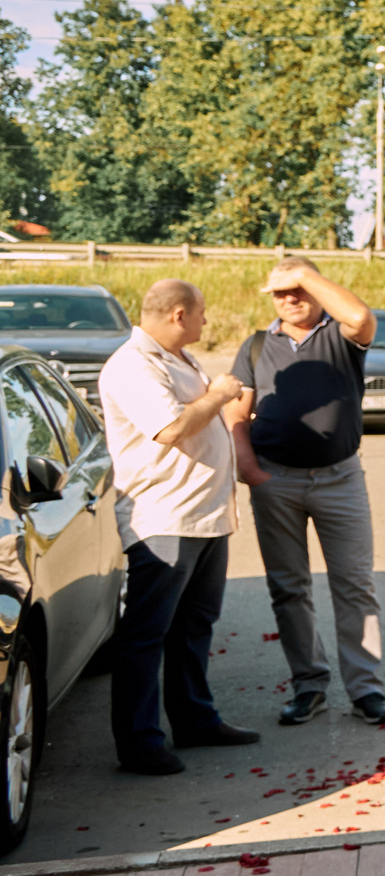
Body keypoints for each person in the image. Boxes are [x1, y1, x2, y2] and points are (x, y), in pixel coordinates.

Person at [94, 279, 261, 774]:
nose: (207, 322)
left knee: (194, 626)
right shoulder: (133, 365)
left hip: (203, 516)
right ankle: (139, 742)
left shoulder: (176, 357)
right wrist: (220, 394)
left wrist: (220, 404)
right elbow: (169, 428)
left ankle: (194, 719)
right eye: (202, 313)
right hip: (165, 517)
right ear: (179, 314)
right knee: (146, 633)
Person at [230, 256, 385, 727]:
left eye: (298, 289)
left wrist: (303, 273)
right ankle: (309, 685)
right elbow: (239, 414)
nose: (289, 299)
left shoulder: (341, 336)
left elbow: (361, 318)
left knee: (354, 584)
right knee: (288, 587)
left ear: (316, 290)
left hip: (340, 479)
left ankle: (366, 690)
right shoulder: (258, 345)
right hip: (275, 480)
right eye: (280, 292)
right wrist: (247, 465)